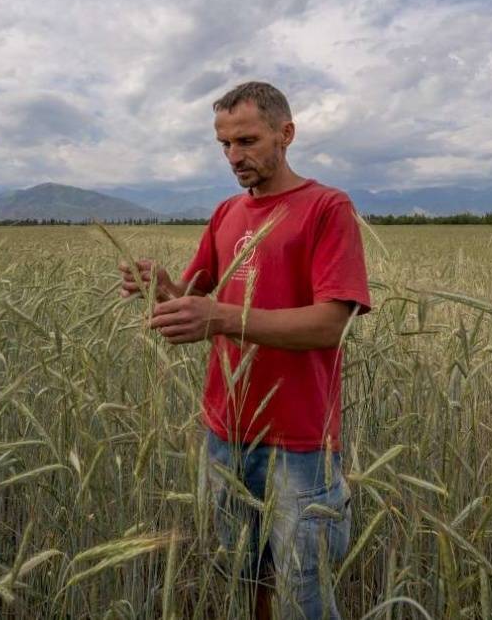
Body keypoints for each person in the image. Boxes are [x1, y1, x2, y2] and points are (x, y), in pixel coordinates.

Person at [119, 80, 372, 620]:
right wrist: (163, 288)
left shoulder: (327, 208)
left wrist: (220, 318)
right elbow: (198, 297)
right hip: (225, 432)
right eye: (224, 145)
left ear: (287, 134)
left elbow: (332, 324)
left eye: (248, 140)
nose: (234, 156)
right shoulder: (225, 213)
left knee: (304, 595)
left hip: (299, 443)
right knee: (243, 583)